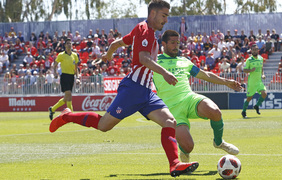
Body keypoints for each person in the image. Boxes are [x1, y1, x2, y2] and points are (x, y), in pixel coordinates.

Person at [49, 1, 198, 177]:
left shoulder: (143, 30)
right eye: (164, 15)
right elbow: (143, 58)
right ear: (153, 14)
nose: (166, 20)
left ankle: (174, 164)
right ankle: (67, 116)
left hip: (146, 92)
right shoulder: (145, 31)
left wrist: (108, 55)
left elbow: (118, 43)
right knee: (104, 126)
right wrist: (165, 73)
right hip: (133, 89)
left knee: (170, 122)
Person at [153, 30, 240, 163]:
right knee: (189, 146)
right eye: (172, 43)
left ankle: (219, 142)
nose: (176, 45)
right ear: (163, 44)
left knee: (215, 111)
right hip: (171, 109)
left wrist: (226, 82)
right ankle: (184, 152)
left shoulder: (184, 61)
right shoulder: (154, 62)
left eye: (177, 42)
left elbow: (205, 75)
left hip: (189, 99)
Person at [48, 38, 79, 120]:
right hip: (64, 76)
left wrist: (78, 77)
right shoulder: (61, 55)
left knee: (66, 98)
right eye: (68, 43)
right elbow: (55, 65)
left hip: (71, 76)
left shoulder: (74, 55)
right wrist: (55, 73)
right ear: (65, 45)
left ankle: (52, 109)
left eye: (70, 43)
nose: (69, 45)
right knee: (69, 95)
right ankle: (72, 116)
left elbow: (76, 67)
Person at [241, 44, 267, 118]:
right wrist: (251, 70)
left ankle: (257, 106)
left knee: (264, 93)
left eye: (256, 49)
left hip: (259, 81)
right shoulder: (249, 60)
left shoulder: (261, 58)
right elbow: (244, 70)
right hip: (252, 82)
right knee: (249, 98)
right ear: (251, 51)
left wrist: (263, 75)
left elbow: (261, 68)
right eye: (253, 50)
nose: (255, 51)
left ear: (258, 50)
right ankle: (243, 112)